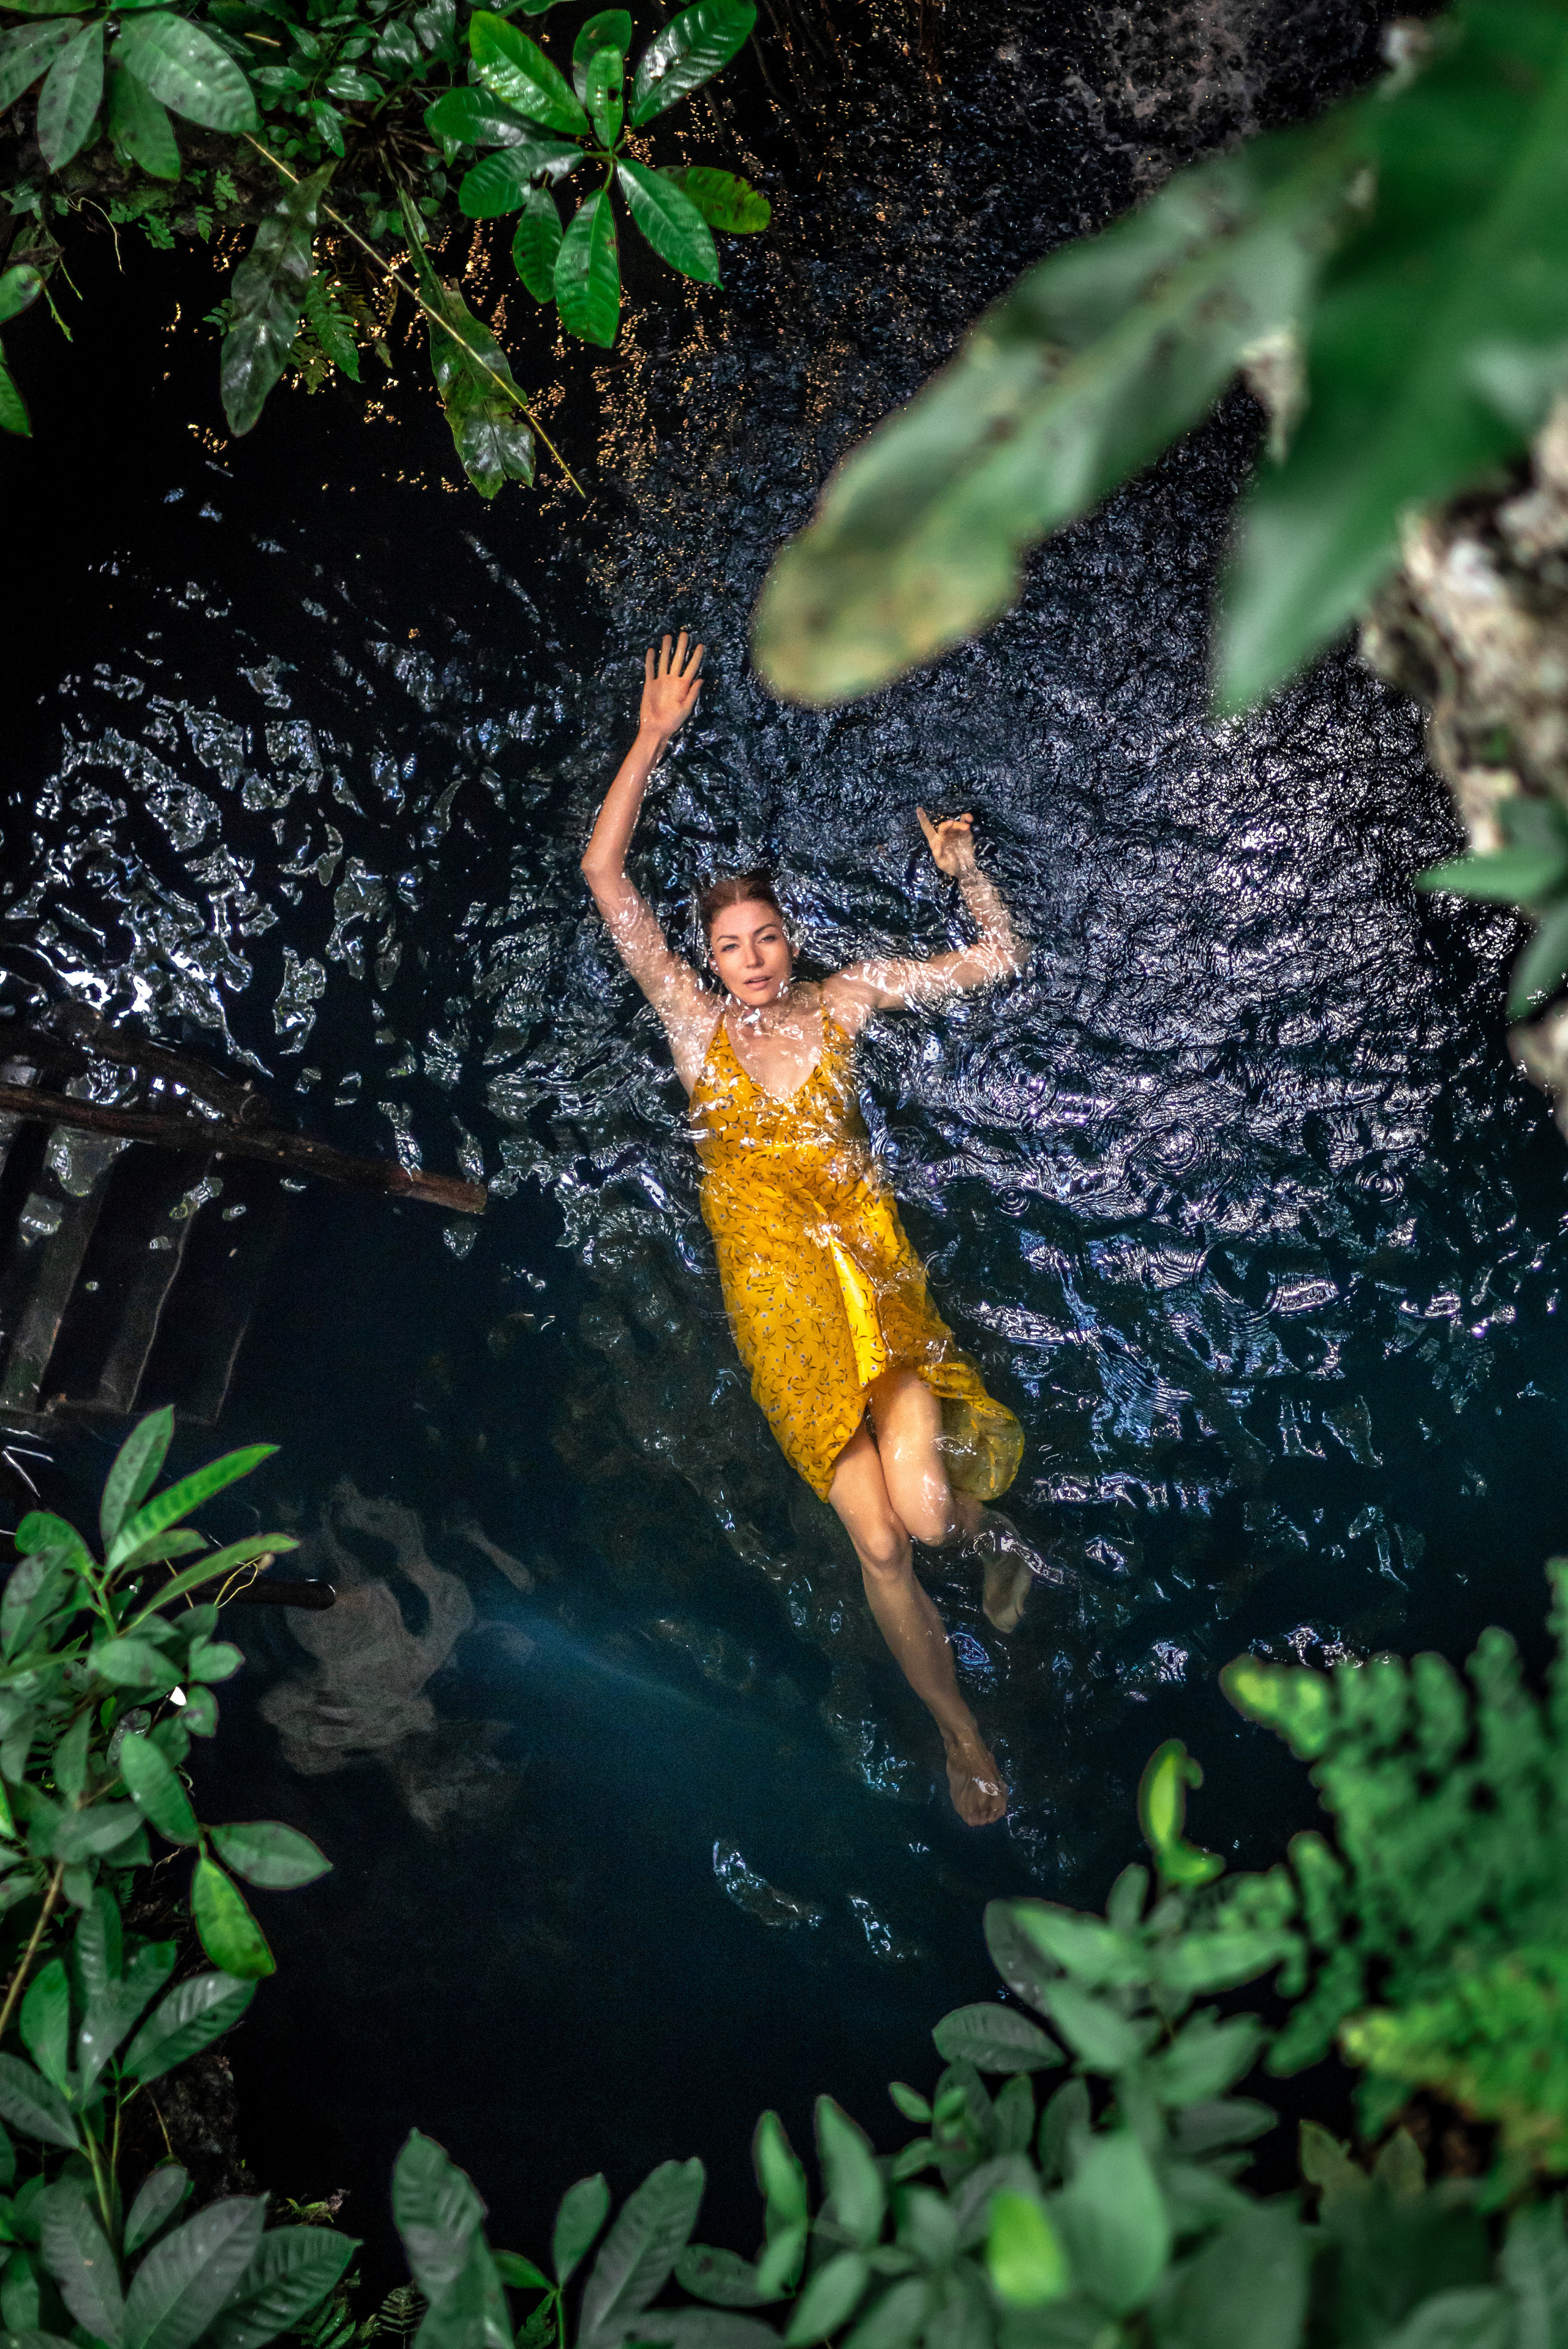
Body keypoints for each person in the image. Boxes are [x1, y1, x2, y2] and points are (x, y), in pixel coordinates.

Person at [580, 632, 1037, 1826]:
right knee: (878, 1543)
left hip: (867, 1274)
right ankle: (958, 1731)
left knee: (927, 1511)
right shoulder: (693, 1032)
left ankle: (990, 1539)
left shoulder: (841, 1001)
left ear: (788, 935)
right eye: (728, 947)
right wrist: (648, 739)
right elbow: (605, 881)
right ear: (709, 959)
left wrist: (963, 867)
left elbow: (995, 958)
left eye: (764, 937)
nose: (750, 962)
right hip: (781, 1305)